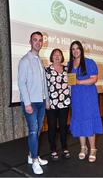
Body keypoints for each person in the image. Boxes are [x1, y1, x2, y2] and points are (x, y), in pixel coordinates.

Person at [18, 31, 50, 174]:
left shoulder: (39, 60)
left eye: (40, 40)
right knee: (32, 131)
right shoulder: (25, 60)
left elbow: (44, 83)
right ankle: (35, 161)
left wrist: (47, 100)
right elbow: (21, 83)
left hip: (41, 101)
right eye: (35, 40)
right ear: (30, 42)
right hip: (30, 102)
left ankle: (32, 156)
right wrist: (27, 103)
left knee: (37, 131)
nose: (38, 42)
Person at [68, 40, 103, 163]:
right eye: (73, 49)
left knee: (89, 120)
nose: (75, 51)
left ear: (81, 50)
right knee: (79, 120)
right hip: (77, 98)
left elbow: (94, 79)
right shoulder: (69, 64)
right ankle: (83, 148)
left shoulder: (89, 62)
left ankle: (93, 149)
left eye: (77, 48)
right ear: (71, 51)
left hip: (88, 97)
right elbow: (69, 82)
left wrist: (79, 82)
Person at [45, 48, 71, 161]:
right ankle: (53, 149)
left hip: (65, 103)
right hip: (51, 104)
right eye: (55, 54)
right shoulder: (47, 70)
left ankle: (64, 148)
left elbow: (71, 85)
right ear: (52, 57)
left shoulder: (67, 69)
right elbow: (44, 87)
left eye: (59, 54)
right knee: (52, 127)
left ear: (62, 57)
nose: (57, 56)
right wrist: (46, 101)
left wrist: (72, 99)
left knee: (63, 126)